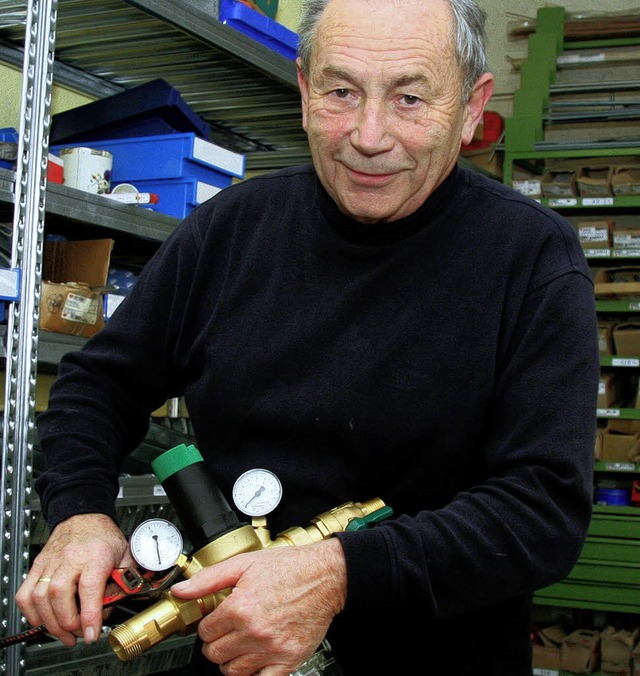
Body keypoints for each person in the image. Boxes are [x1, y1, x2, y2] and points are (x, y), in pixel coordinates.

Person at [16, 0, 599, 673]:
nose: (368, 134)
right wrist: (79, 514)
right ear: (304, 89)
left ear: (472, 107)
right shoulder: (231, 230)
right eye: (341, 92)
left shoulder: (531, 259)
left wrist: (339, 573)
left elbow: (542, 510)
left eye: (410, 97)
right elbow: (100, 384)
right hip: (236, 657)